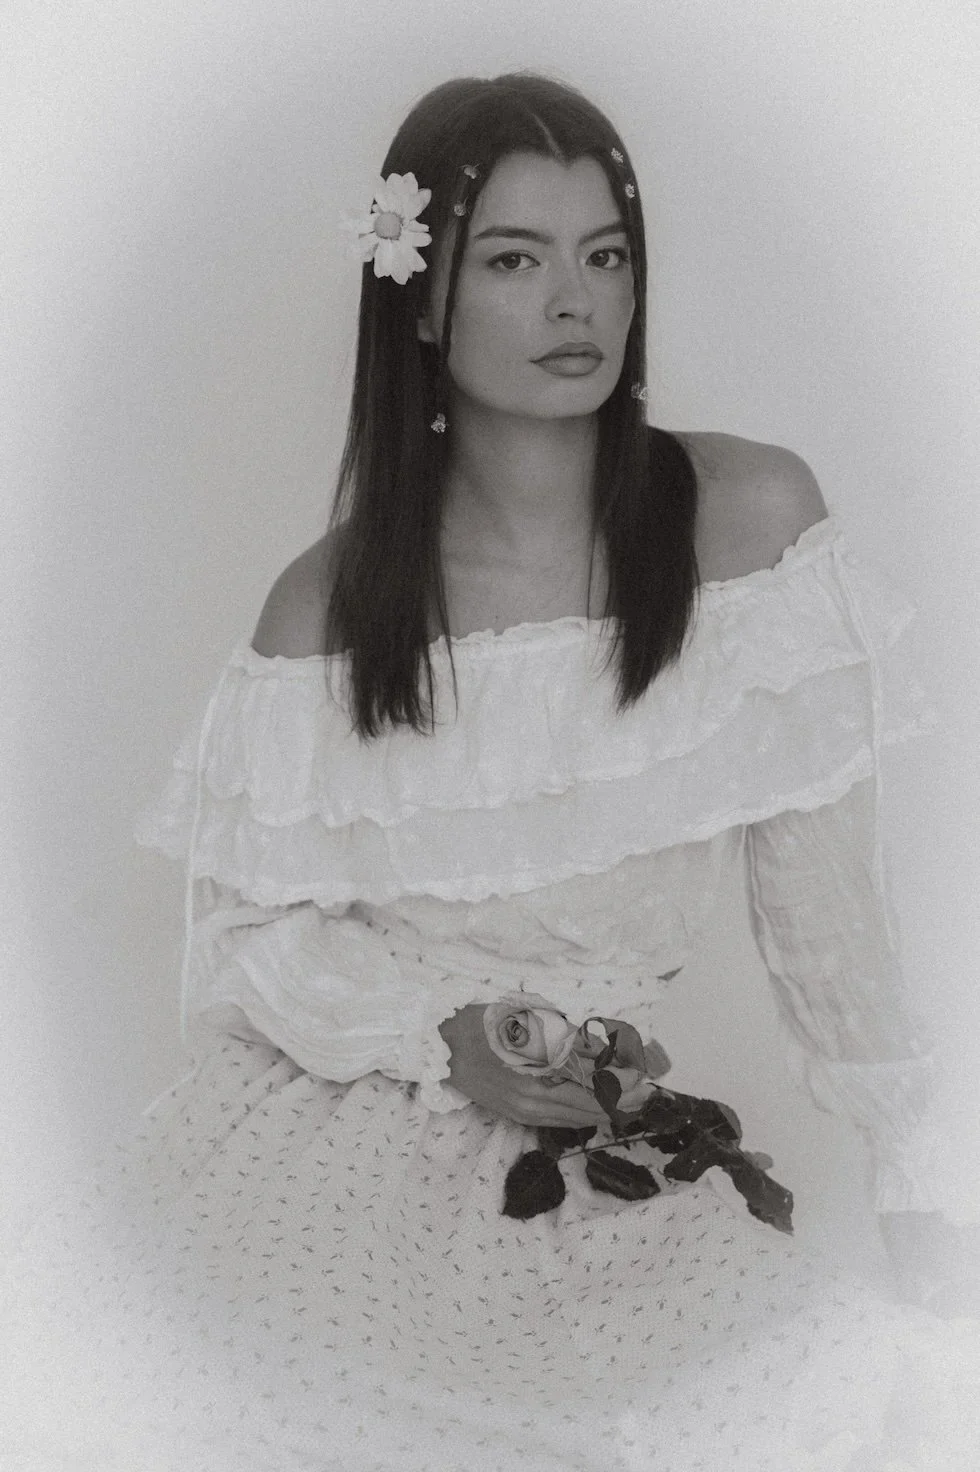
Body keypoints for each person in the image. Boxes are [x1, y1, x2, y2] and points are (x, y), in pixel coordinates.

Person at [2, 69, 979, 1472]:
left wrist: (923, 1181)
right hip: (322, 1155)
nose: (574, 302)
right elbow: (240, 950)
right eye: (515, 261)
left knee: (817, 1409)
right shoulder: (327, 609)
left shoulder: (751, 530)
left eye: (605, 255)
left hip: (590, 1154)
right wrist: (445, 1028)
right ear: (421, 300)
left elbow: (833, 927)